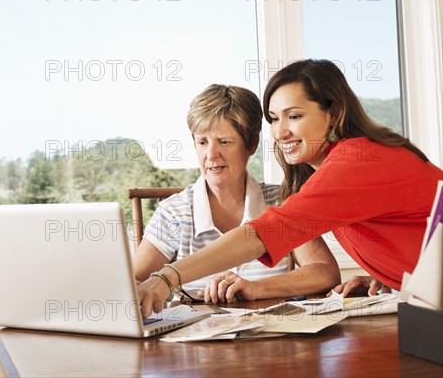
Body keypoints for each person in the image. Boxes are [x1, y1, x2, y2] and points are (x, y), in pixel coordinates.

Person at [137, 59, 443, 316]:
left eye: (294, 116)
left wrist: (168, 276)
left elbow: (264, 233)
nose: (280, 132)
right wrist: (386, 276)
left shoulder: (357, 161)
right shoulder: (331, 170)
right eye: (273, 118)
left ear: (333, 113)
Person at [133, 84, 340, 304]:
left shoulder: (281, 202)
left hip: (271, 334)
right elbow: (133, 280)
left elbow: (325, 272)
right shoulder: (174, 212)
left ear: (251, 144)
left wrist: (255, 288)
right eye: (202, 142)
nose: (211, 155)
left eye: (224, 142)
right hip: (196, 335)